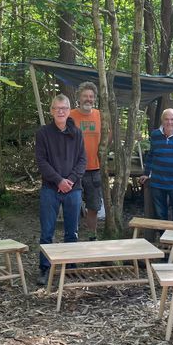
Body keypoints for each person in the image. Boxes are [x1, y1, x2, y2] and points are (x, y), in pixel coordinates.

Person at [35, 94, 86, 286]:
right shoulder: (43, 133)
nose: (61, 111)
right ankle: (46, 268)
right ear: (51, 111)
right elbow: (41, 161)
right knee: (47, 231)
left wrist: (70, 180)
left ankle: (70, 268)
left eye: (64, 108)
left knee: (71, 232)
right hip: (50, 189)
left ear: (69, 110)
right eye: (57, 108)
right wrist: (58, 181)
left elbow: (83, 160)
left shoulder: (77, 133)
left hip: (74, 189)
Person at [70, 81, 104, 240]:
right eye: (85, 96)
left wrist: (101, 149)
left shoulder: (100, 115)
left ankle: (92, 236)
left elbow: (107, 135)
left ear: (95, 98)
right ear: (79, 97)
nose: (88, 99)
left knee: (93, 205)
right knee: (73, 204)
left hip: (94, 168)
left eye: (91, 96)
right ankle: (72, 235)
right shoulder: (70, 115)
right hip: (73, 169)